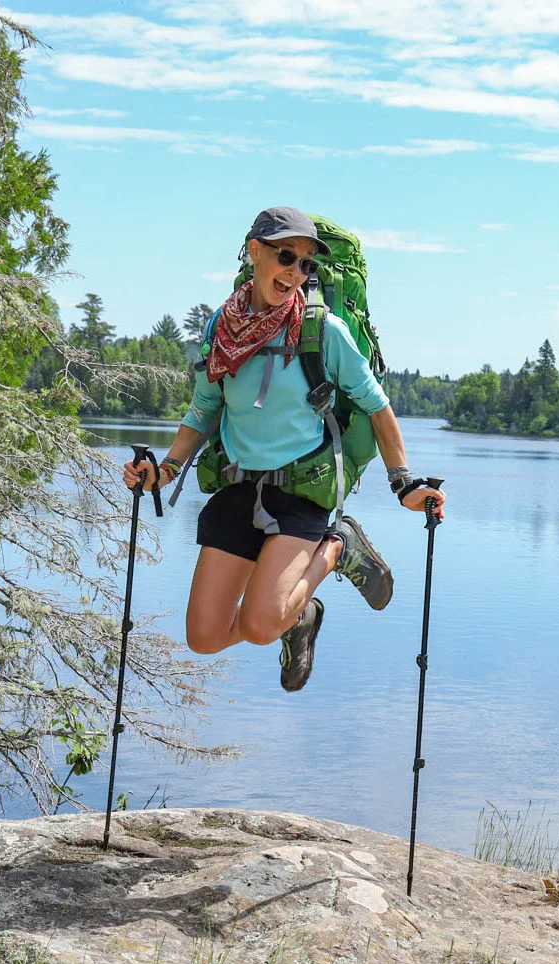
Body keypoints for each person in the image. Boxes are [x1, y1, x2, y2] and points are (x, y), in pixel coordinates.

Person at [124, 206, 447, 691]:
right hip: (237, 487)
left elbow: (378, 407)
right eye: (286, 257)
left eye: (306, 265)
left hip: (301, 492)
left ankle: (337, 547)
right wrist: (165, 470)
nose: (296, 272)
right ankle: (299, 614)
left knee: (257, 625)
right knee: (205, 637)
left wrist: (403, 482)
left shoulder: (322, 332)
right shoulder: (222, 328)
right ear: (255, 252)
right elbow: (204, 409)